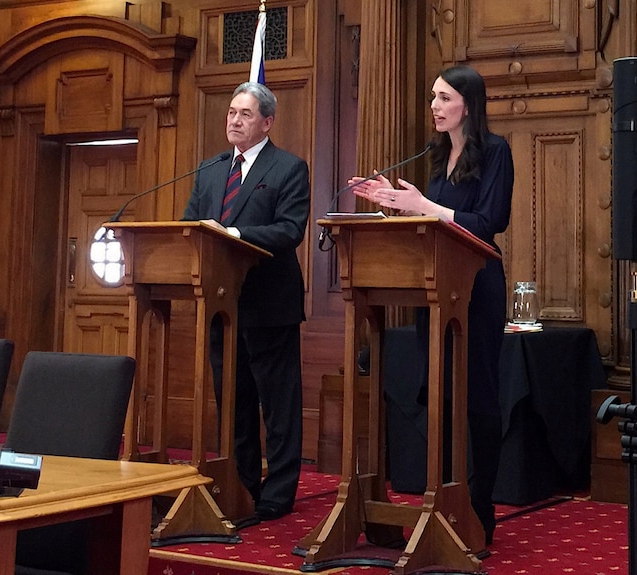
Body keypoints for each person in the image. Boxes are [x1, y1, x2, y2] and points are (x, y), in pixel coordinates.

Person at [349, 65, 514, 545]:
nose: (435, 107)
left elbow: (488, 222)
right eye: (432, 98)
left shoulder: (495, 151)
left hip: (476, 290)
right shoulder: (437, 154)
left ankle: (479, 510)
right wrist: (397, 205)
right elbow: (434, 223)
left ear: (468, 103)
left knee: (477, 399)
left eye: (444, 98)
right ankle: (441, 501)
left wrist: (426, 206)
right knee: (440, 396)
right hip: (434, 290)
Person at [182, 81, 311, 521]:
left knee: (278, 406)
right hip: (223, 305)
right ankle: (241, 483)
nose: (235, 120)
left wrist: (236, 235)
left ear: (267, 122)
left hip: (269, 304)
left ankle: (278, 493)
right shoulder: (211, 168)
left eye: (245, 114)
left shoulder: (288, 168)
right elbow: (190, 225)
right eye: (232, 112)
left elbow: (290, 230)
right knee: (233, 403)